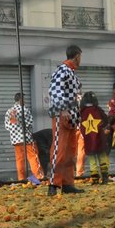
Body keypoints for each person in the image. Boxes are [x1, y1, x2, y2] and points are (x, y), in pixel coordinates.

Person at [45, 45, 84, 196]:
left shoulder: (69, 72)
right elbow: (54, 90)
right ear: (77, 56)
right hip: (64, 115)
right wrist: (63, 109)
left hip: (71, 116)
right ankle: (53, 184)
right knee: (59, 149)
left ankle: (67, 183)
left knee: (70, 150)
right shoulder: (63, 70)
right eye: (80, 57)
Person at [5, 92, 43, 185]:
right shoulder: (24, 110)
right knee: (33, 157)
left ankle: (21, 179)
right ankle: (39, 177)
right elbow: (30, 123)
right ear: (20, 99)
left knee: (20, 159)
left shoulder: (9, 111)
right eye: (24, 99)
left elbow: (7, 126)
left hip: (15, 140)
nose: (24, 101)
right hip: (26, 138)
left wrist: (15, 131)